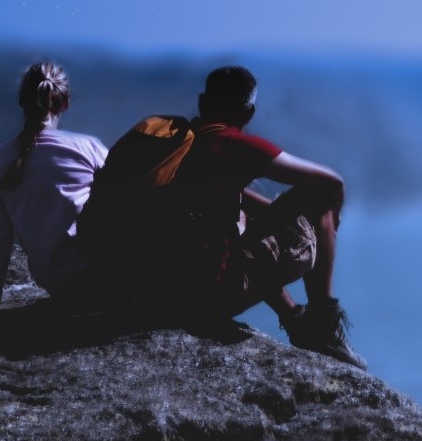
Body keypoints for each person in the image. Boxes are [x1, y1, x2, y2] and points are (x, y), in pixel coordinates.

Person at [123, 65, 365, 368]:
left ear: (202, 102)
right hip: (202, 299)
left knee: (239, 223)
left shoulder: (177, 146)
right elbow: (332, 184)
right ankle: (322, 322)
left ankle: (295, 319)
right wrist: (329, 220)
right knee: (318, 199)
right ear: (249, 112)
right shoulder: (231, 145)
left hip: (149, 289)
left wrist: (279, 217)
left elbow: (248, 211)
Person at [0, 62, 108, 322]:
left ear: (22, 101)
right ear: (64, 103)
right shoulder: (88, 148)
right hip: (99, 276)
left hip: (55, 281)